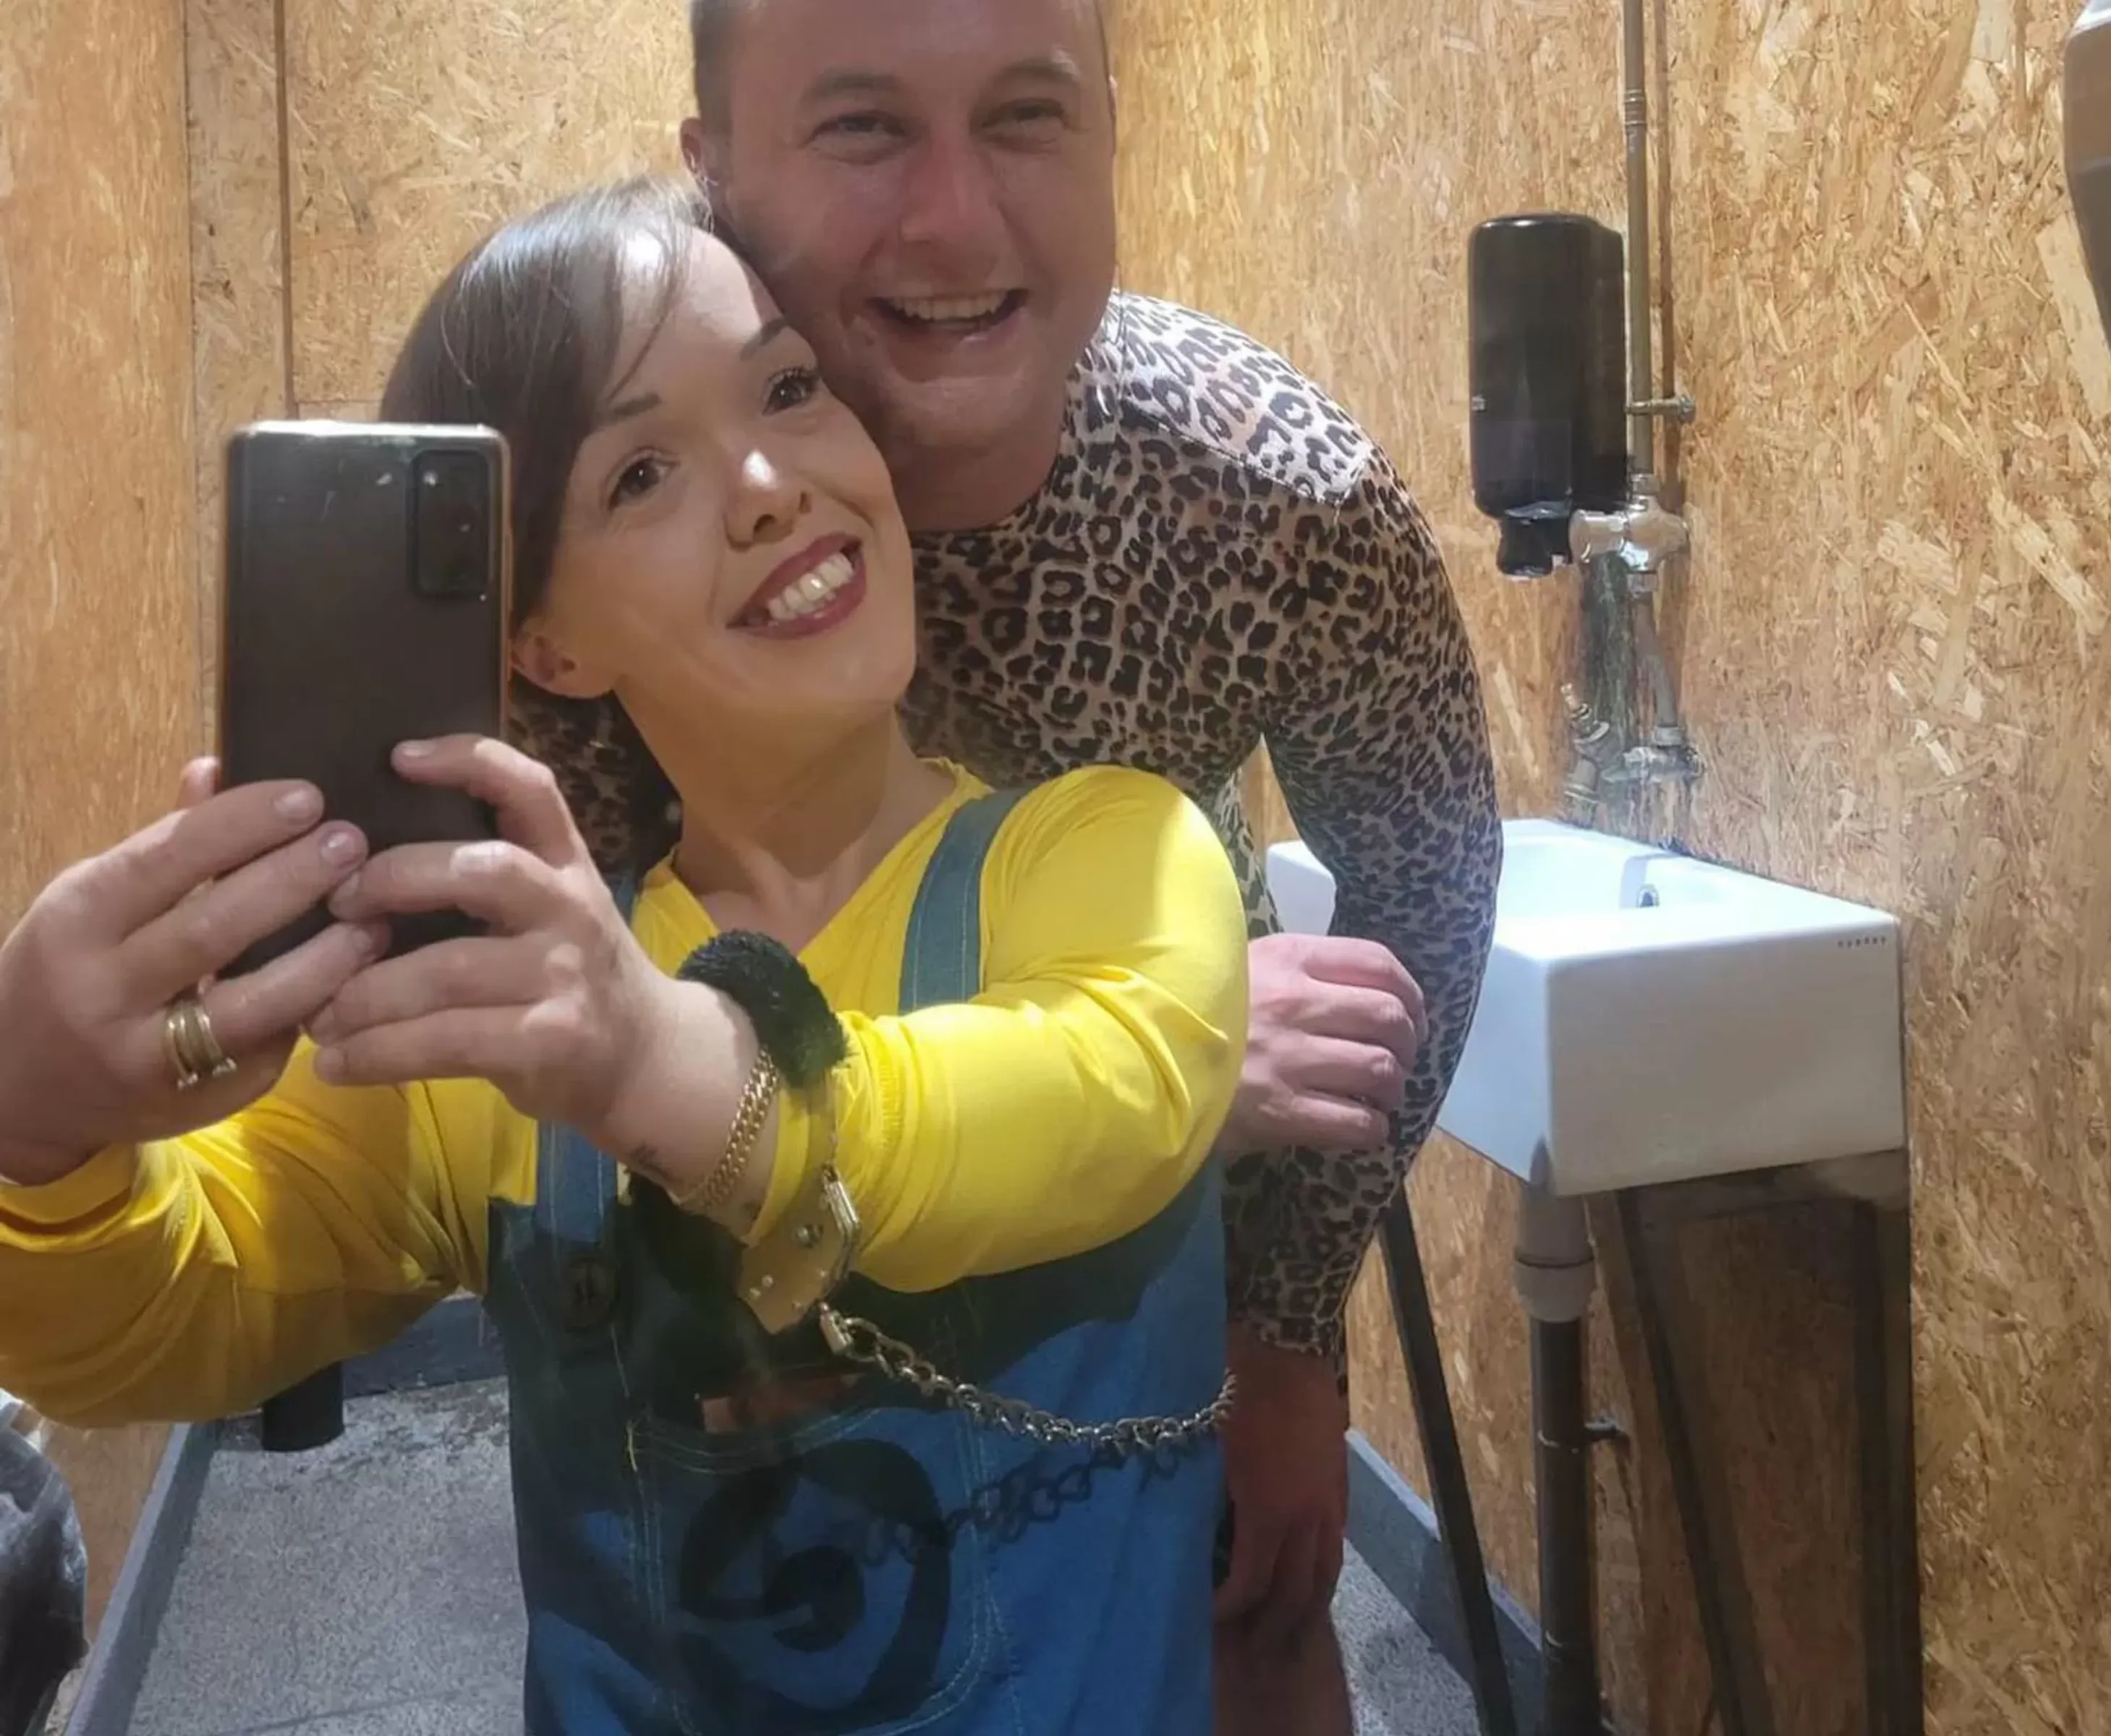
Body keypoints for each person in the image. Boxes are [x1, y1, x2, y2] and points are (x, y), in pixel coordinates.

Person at [0, 176, 1252, 1735]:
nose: (769, 485)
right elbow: (166, 1319)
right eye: (642, 473)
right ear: (545, 643)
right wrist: (40, 1130)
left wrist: (660, 1067)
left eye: (788, 390)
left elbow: (1096, 1095)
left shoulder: (1112, 854)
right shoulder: (505, 1002)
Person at [665, 2, 1504, 1727]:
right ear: (711, 171)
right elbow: (562, 1014)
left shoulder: (1265, 495)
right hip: (748, 1318)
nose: (956, 218)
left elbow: (1429, 879)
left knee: (1249, 1635)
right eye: (862, 126)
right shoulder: (622, 506)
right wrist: (1170, 1056)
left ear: (1113, 129)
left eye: (1027, 116)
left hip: (1170, 1299)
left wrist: (1290, 1329)